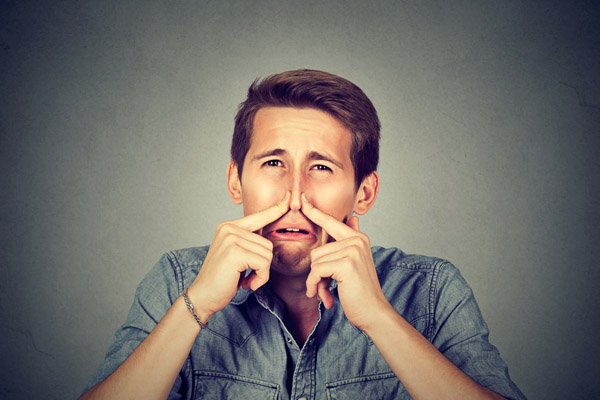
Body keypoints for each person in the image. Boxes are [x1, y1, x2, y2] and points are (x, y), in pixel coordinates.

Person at [80, 69, 526, 400]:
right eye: (273, 163)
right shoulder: (178, 280)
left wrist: (378, 318)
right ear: (236, 180)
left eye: (321, 167)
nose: (295, 195)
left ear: (363, 192)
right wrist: (196, 307)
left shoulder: (431, 290)